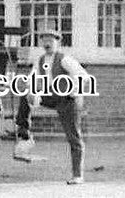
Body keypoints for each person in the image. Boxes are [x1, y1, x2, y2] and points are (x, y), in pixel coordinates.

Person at [15, 28, 91, 185]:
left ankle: (78, 175)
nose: (47, 43)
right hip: (51, 95)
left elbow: (84, 76)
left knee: (73, 137)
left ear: (58, 42)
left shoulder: (65, 60)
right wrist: (29, 89)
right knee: (25, 96)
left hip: (69, 100)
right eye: (44, 40)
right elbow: (32, 79)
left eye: (51, 40)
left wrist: (73, 91)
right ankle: (25, 136)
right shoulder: (40, 60)